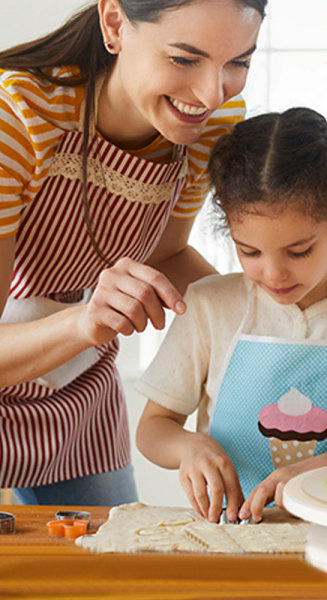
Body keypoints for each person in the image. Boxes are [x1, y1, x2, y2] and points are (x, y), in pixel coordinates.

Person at [0, 0, 266, 506]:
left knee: (101, 571)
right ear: (115, 23)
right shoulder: (17, 116)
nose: (212, 93)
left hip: (78, 389)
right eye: (185, 60)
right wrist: (84, 323)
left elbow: (166, 254)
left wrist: (279, 314)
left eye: (238, 63)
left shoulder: (212, 121)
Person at [135, 107, 327, 523]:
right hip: (232, 535)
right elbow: (153, 428)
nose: (273, 273)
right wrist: (188, 447)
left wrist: (325, 469)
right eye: (249, 251)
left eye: (298, 251)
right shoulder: (211, 305)